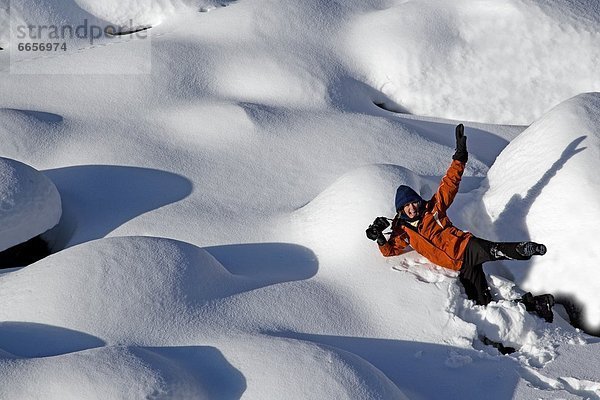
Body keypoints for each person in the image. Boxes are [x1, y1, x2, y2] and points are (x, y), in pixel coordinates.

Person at [366, 124, 554, 322]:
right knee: (484, 304)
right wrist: (379, 238)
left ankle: (526, 249)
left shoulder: (434, 209)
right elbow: (390, 251)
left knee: (495, 250)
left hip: (466, 247)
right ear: (401, 210)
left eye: (414, 203)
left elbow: (449, 184)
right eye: (407, 206)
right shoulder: (402, 232)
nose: (412, 208)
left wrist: (460, 156)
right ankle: (535, 304)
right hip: (460, 266)